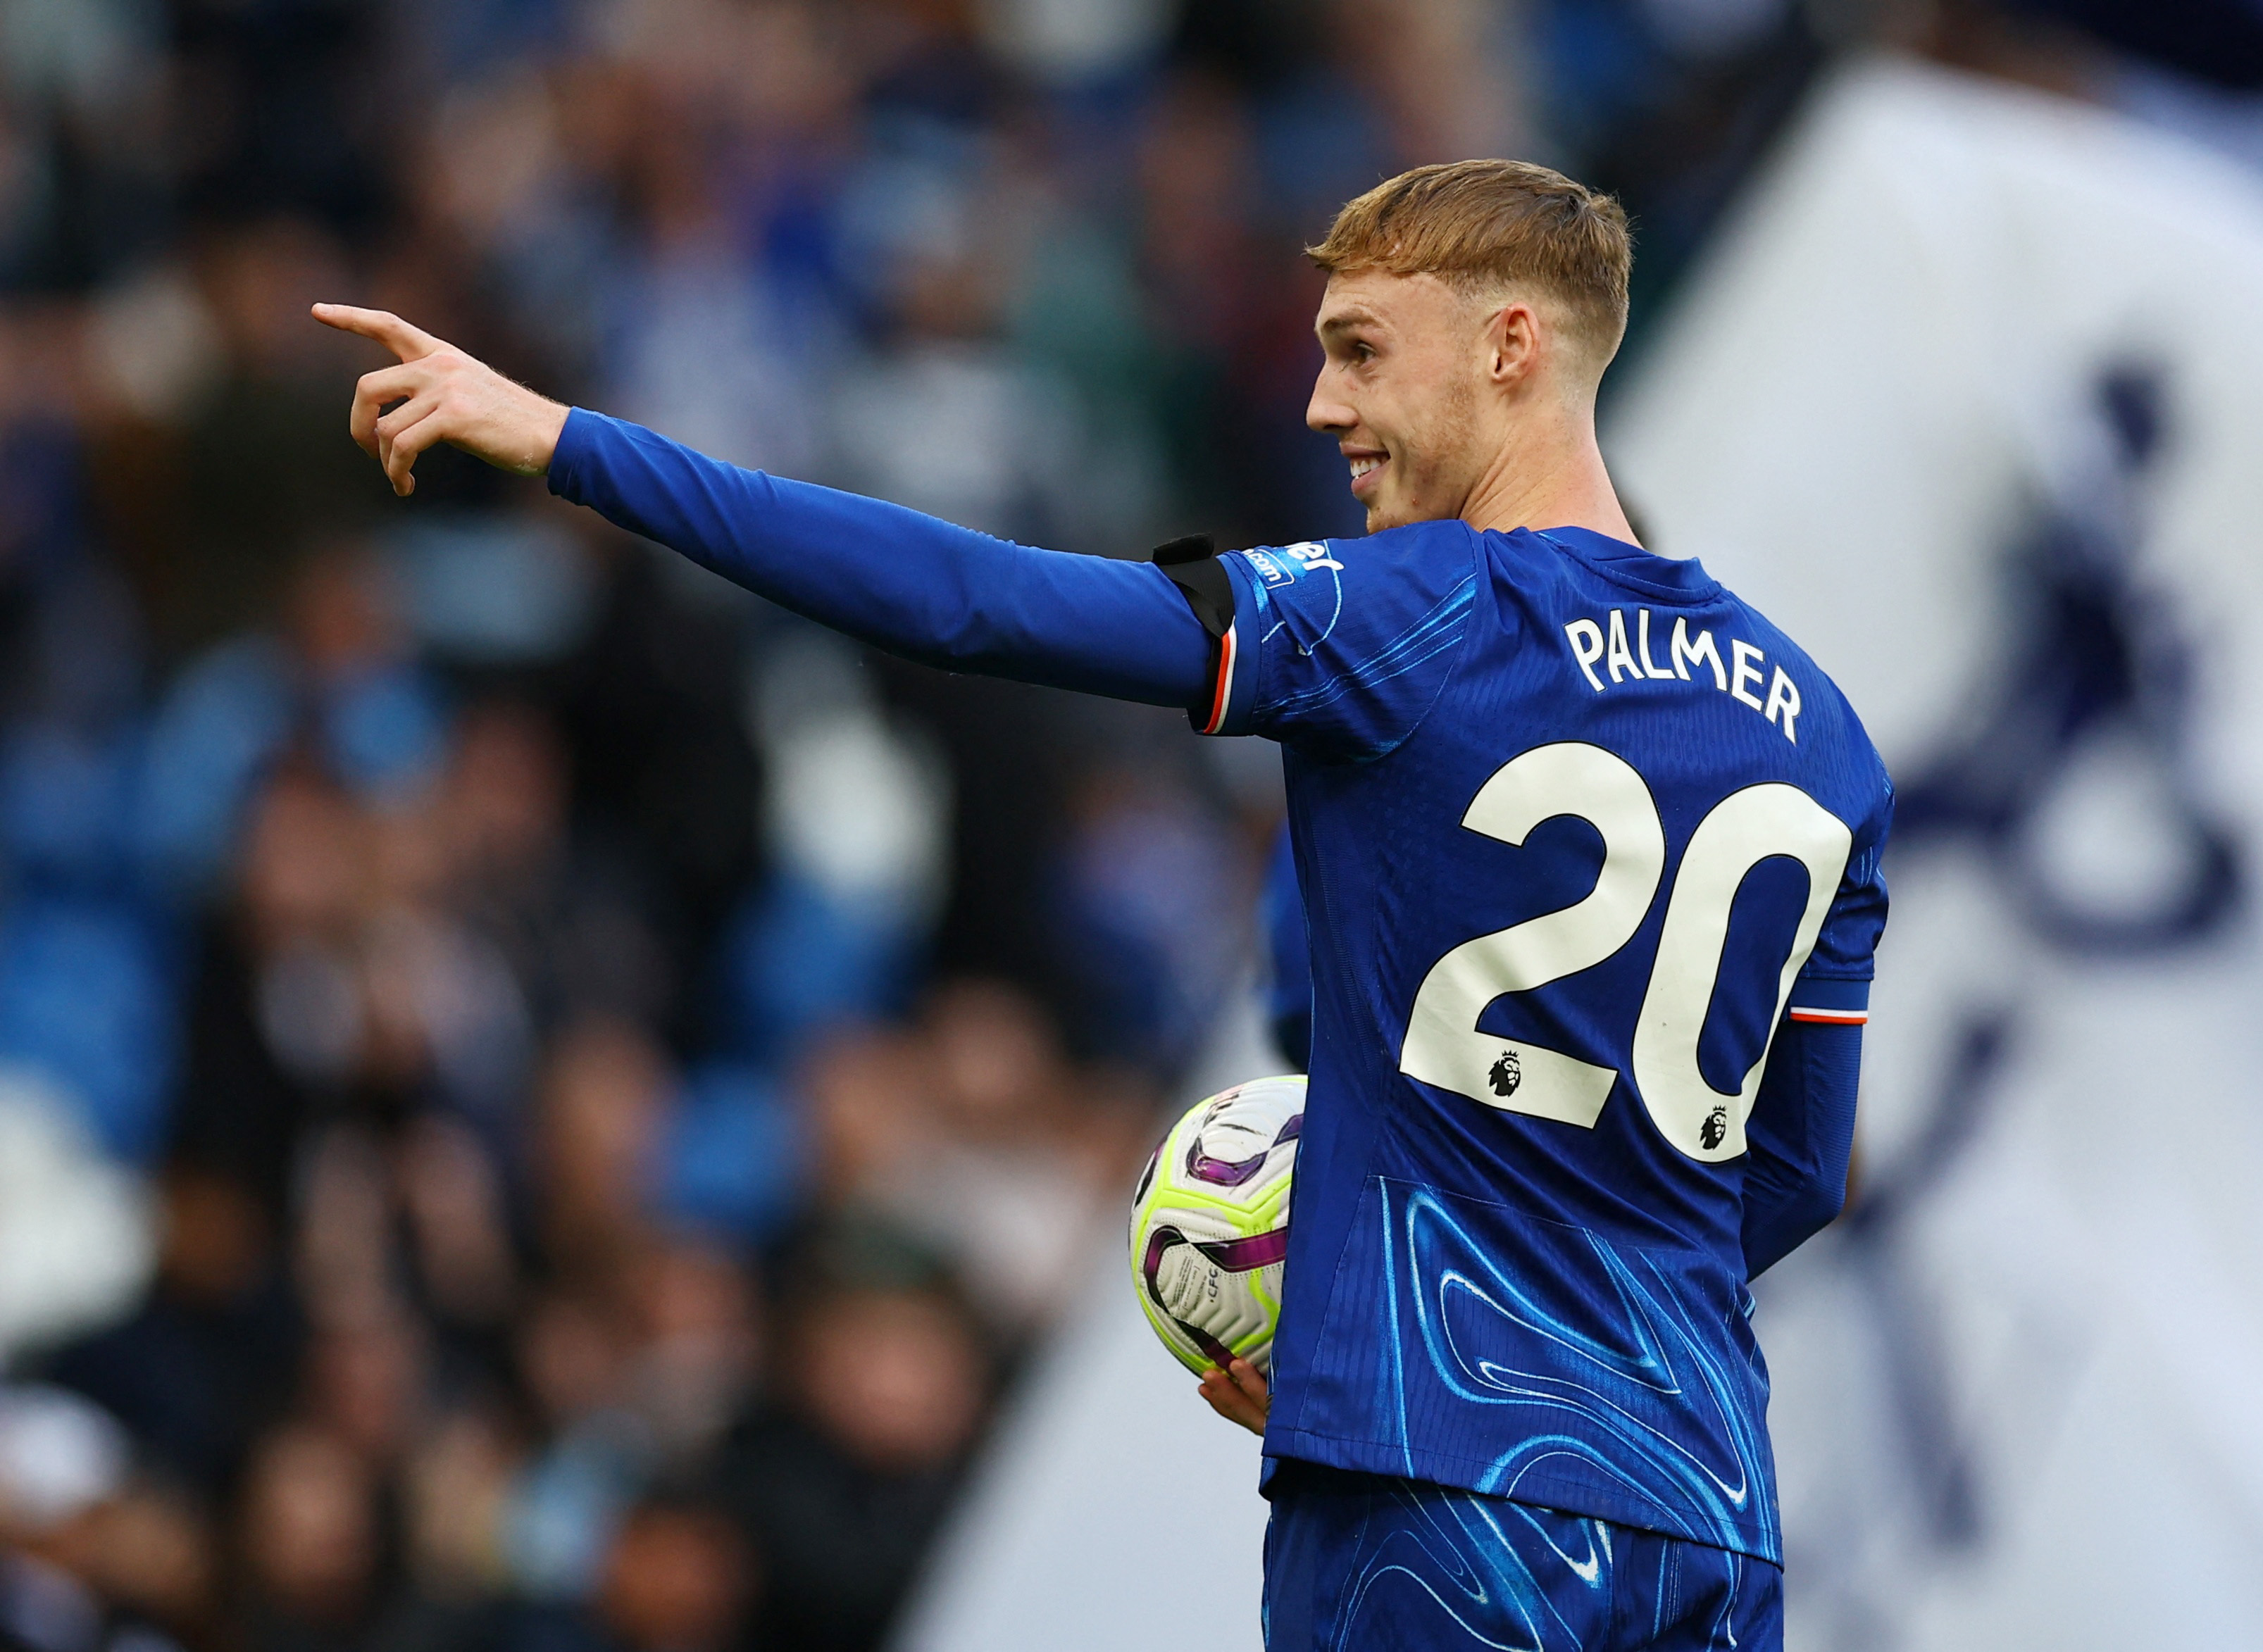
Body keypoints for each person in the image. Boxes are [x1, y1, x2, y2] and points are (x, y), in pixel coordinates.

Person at [315, 158, 1890, 1651]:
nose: (1318, 400)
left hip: (1440, 1481)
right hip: (1702, 1502)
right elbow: (1800, 1172)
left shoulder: (1409, 620)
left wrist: (575, 444)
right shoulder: (1822, 734)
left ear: (1509, 347)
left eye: (1357, 349)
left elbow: (976, 604)